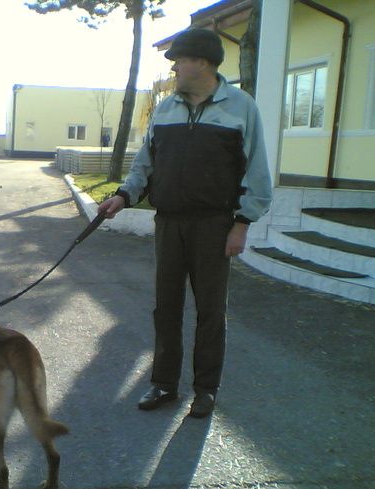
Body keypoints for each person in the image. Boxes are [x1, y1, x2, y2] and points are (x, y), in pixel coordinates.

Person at [98, 28, 273, 418]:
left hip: (215, 225)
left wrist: (242, 223)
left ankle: (206, 389)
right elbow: (146, 162)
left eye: (179, 60)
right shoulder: (166, 109)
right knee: (167, 307)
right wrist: (124, 195)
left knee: (210, 311)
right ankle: (163, 384)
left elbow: (257, 172)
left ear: (204, 63)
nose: (174, 67)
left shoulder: (241, 107)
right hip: (169, 223)